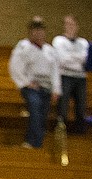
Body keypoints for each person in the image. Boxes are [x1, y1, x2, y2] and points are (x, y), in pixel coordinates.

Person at [8, 17, 60, 149]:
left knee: (43, 115)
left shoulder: (50, 50)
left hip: (46, 87)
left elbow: (55, 71)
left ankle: (37, 143)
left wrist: (56, 89)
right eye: (35, 30)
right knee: (35, 109)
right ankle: (32, 142)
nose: (38, 33)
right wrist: (26, 83)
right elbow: (14, 66)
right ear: (30, 32)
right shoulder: (23, 47)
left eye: (40, 30)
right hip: (31, 87)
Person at [53, 14, 88, 132]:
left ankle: (79, 134)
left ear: (77, 26)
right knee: (63, 107)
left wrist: (72, 58)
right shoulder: (58, 40)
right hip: (65, 76)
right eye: (67, 24)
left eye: (72, 24)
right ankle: (61, 132)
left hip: (80, 78)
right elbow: (62, 60)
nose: (70, 27)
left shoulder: (83, 43)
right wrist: (78, 59)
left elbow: (86, 60)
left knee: (81, 108)